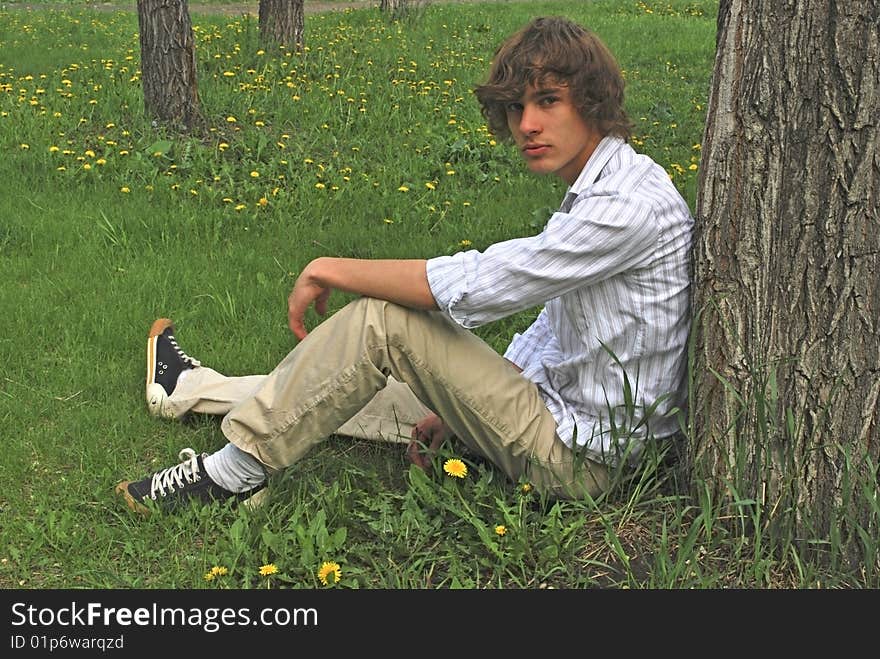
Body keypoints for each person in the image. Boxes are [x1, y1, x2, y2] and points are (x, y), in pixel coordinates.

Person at [116, 15, 694, 513]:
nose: (526, 125)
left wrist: (329, 267)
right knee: (355, 386)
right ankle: (190, 388)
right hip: (564, 419)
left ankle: (230, 475)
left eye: (548, 101)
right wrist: (460, 416)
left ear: (593, 100)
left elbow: (482, 285)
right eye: (516, 107)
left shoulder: (625, 209)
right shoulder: (610, 186)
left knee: (382, 324)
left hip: (583, 462)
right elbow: (556, 324)